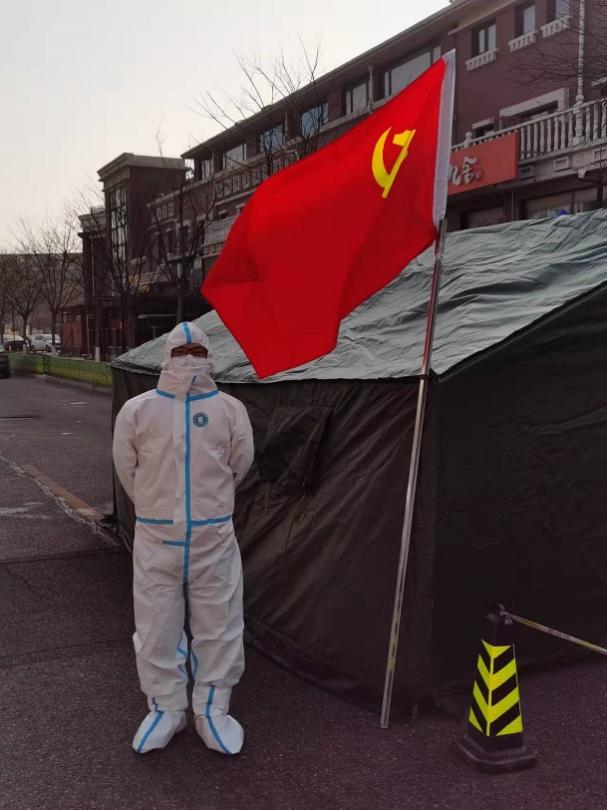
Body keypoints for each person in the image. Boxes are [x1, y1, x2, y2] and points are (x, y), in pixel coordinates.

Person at [112, 321, 254, 755]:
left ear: (209, 355)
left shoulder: (230, 410)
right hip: (158, 539)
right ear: (167, 355)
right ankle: (166, 709)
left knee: (220, 625)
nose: (189, 358)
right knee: (157, 626)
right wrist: (157, 510)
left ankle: (213, 709)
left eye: (197, 351)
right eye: (181, 351)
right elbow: (127, 468)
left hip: (213, 537)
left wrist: (208, 509)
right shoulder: (138, 410)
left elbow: (239, 463)